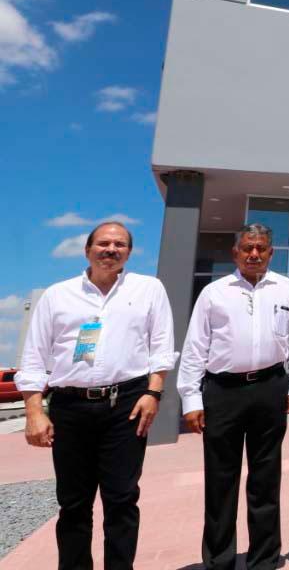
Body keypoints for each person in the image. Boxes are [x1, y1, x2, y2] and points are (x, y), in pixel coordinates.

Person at [16, 222, 176, 570]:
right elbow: (34, 357)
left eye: (120, 244)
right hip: (70, 407)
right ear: (87, 249)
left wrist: (153, 392)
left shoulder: (148, 289)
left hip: (127, 405)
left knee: (122, 499)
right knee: (73, 504)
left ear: (129, 252)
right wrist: (34, 412)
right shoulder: (58, 295)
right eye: (103, 243)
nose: (111, 249)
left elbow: (162, 347)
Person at [177, 223, 289, 570]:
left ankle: (264, 560)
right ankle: (219, 560)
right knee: (221, 480)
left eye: (261, 248)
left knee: (266, 478)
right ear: (235, 253)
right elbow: (195, 347)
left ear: (270, 253)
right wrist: (191, 399)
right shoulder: (214, 293)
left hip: (270, 388)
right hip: (223, 393)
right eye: (248, 248)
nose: (254, 254)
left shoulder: (286, 288)